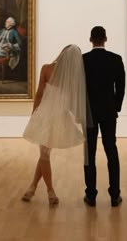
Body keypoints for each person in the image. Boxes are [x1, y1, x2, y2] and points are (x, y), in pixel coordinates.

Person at [22, 44, 87, 206]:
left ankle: (35, 188)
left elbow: (39, 94)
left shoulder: (46, 68)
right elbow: (72, 101)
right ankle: (46, 190)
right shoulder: (73, 77)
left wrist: (34, 114)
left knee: (44, 154)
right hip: (58, 117)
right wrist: (77, 116)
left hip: (46, 114)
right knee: (44, 154)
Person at [83, 26, 125, 207]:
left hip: (89, 112)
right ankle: (115, 195)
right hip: (108, 112)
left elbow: (79, 88)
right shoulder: (115, 59)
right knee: (111, 150)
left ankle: (91, 195)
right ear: (105, 39)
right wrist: (115, 106)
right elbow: (121, 88)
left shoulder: (83, 60)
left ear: (90, 39)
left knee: (89, 153)